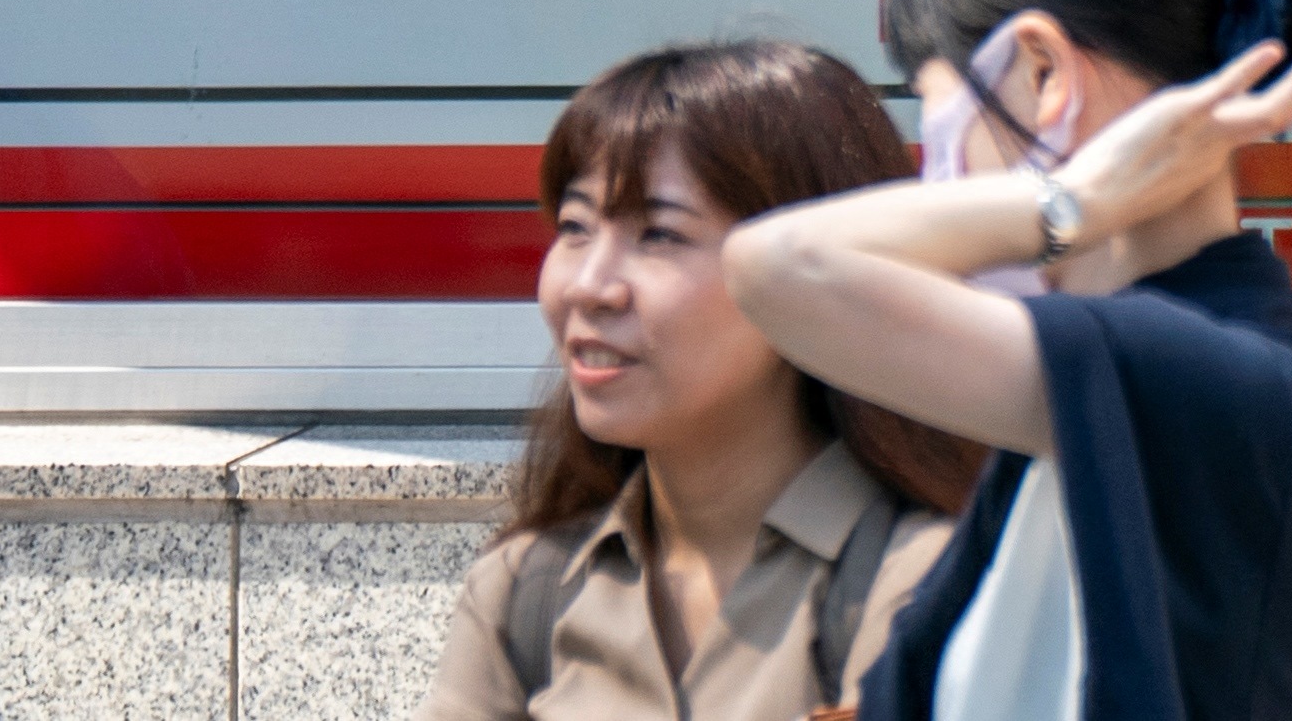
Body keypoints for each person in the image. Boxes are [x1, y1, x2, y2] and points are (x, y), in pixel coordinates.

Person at [721, 0, 1292, 721]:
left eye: (940, 112)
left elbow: (776, 267)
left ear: (1045, 77)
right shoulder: (1203, 378)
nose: (937, 170)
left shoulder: (1202, 374)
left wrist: (1068, 202)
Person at [419, 41, 990, 721]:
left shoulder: (924, 581)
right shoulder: (524, 591)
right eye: (575, 227)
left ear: (807, 279)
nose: (589, 285)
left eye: (659, 235)